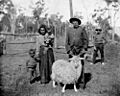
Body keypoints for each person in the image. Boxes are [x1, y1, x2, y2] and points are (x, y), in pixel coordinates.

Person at [65, 17, 89, 89]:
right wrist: (69, 50)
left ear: (78, 23)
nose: (75, 23)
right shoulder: (68, 30)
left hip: (80, 51)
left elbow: (86, 39)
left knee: (80, 66)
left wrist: (84, 49)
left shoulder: (82, 29)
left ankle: (81, 83)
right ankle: (71, 83)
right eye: (73, 22)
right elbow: (66, 41)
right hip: (72, 51)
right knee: (71, 67)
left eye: (76, 22)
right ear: (71, 23)